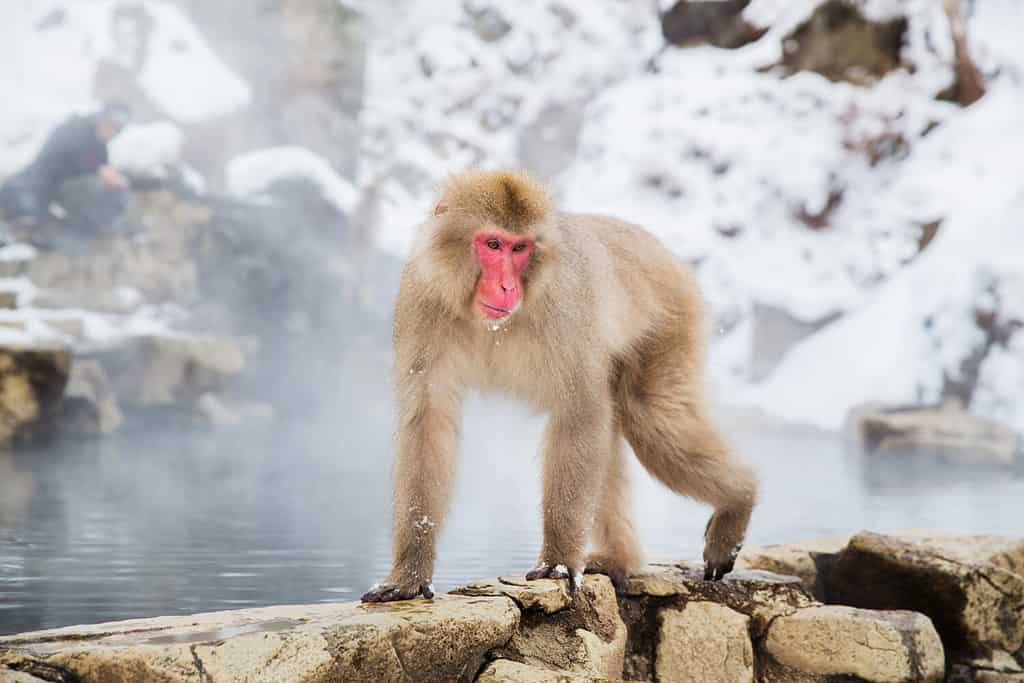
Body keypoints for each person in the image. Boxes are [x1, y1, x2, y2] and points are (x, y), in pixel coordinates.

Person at [0, 101, 131, 232]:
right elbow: (56, 161)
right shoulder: (74, 129)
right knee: (95, 185)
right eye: (111, 125)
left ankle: (96, 225)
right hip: (37, 186)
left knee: (114, 189)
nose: (112, 133)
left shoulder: (100, 145)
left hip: (54, 192)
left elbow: (102, 169)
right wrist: (97, 170)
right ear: (101, 119)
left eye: (117, 130)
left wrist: (110, 177)